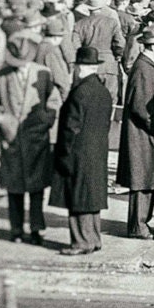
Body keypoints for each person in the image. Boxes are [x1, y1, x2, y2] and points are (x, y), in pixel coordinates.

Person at [0, 18, 60, 245]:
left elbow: (54, 101)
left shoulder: (43, 74)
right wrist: (1, 118)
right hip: (11, 141)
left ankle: (37, 229)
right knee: (14, 188)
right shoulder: (1, 76)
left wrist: (46, 121)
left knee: (37, 189)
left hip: (36, 140)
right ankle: (16, 229)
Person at [53, 45, 112, 256]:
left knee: (77, 198)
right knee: (92, 197)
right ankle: (94, 238)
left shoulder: (79, 93)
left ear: (79, 68)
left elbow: (71, 127)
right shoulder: (103, 91)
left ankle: (81, 242)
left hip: (78, 152)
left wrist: (63, 152)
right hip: (97, 151)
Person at [118, 24, 154, 239]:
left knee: (149, 179)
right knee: (142, 181)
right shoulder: (144, 68)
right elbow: (141, 106)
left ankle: (142, 223)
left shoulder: (146, 65)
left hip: (145, 135)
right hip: (143, 135)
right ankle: (137, 226)